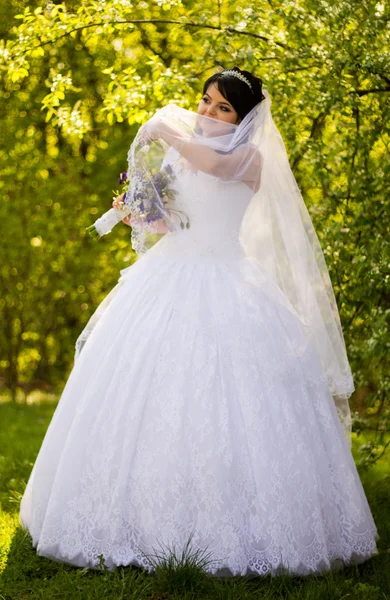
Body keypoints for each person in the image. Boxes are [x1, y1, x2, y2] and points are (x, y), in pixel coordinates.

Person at [19, 67, 379, 578]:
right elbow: (174, 220)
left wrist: (167, 129)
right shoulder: (183, 149)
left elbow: (215, 168)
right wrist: (140, 212)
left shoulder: (250, 159)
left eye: (222, 107)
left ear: (245, 118)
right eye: (204, 102)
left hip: (228, 280)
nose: (208, 112)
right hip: (167, 276)